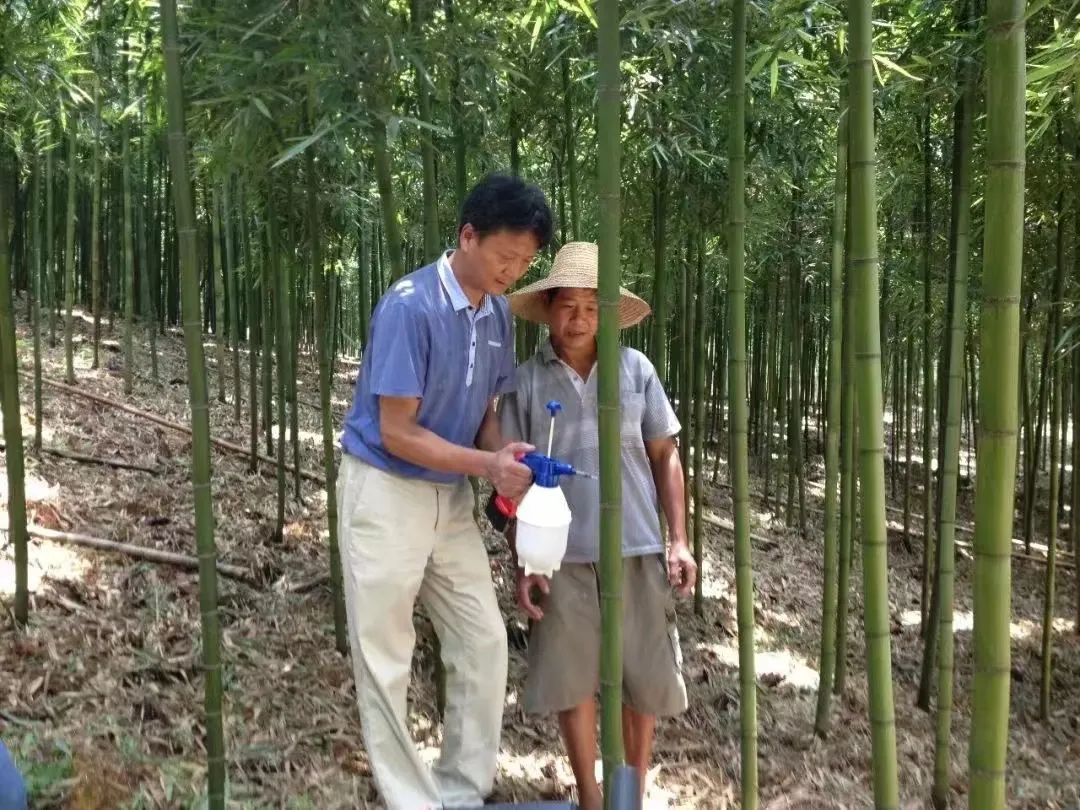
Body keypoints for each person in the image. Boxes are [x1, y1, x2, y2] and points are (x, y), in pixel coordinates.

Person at [337, 173, 553, 809]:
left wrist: (502, 450)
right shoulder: (410, 305)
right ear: (467, 235)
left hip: (449, 496)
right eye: (504, 256)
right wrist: (487, 465)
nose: (513, 272)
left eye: (524, 262)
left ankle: (461, 788)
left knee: (483, 640)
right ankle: (410, 799)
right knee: (386, 651)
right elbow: (398, 432)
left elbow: (484, 407)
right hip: (385, 489)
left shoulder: (497, 317)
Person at [497, 241, 697, 810]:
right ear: (549, 309)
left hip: (635, 547)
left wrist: (678, 540)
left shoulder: (636, 370)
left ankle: (628, 797)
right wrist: (525, 562)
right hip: (560, 555)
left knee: (642, 683)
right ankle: (590, 797)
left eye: (592, 306)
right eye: (568, 305)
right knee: (572, 680)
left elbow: (665, 455)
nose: (579, 318)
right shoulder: (527, 382)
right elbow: (509, 482)